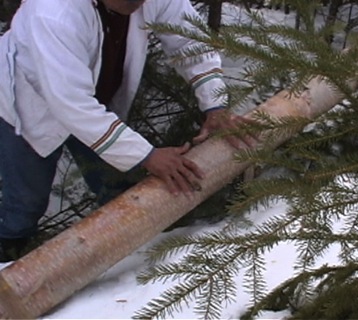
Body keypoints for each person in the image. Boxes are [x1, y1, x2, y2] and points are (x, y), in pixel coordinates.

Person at [0, 0, 253, 262]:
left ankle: (126, 257)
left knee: (115, 181)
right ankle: (9, 253)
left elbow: (190, 42)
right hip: (29, 101)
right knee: (26, 197)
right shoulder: (53, 12)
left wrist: (216, 105)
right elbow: (71, 103)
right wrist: (147, 155)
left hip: (96, 105)